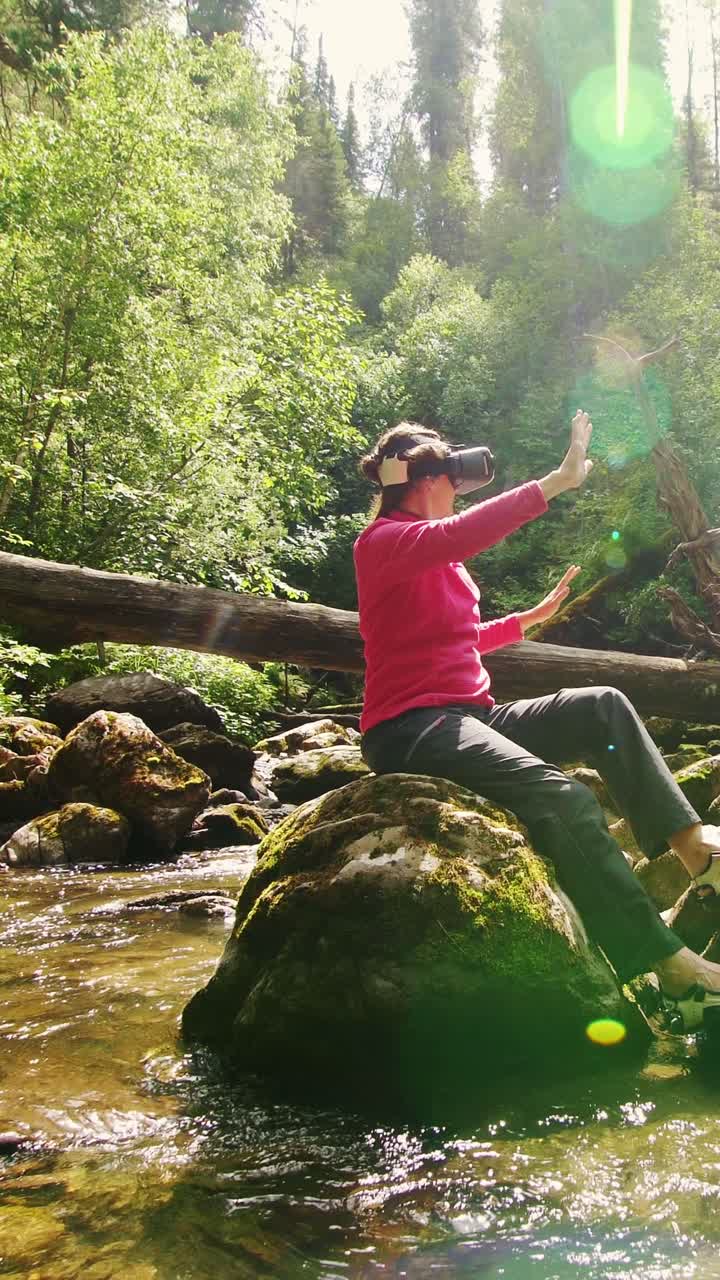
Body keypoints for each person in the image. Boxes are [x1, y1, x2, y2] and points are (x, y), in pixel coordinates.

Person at [354, 413, 720, 1031]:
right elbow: (463, 535)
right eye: (451, 478)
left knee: (601, 702)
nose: (458, 491)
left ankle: (698, 855)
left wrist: (530, 618)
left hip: (472, 714)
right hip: (411, 727)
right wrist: (559, 479)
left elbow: (460, 636)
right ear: (423, 480)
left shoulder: (430, 554)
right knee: (566, 799)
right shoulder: (384, 542)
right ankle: (664, 960)